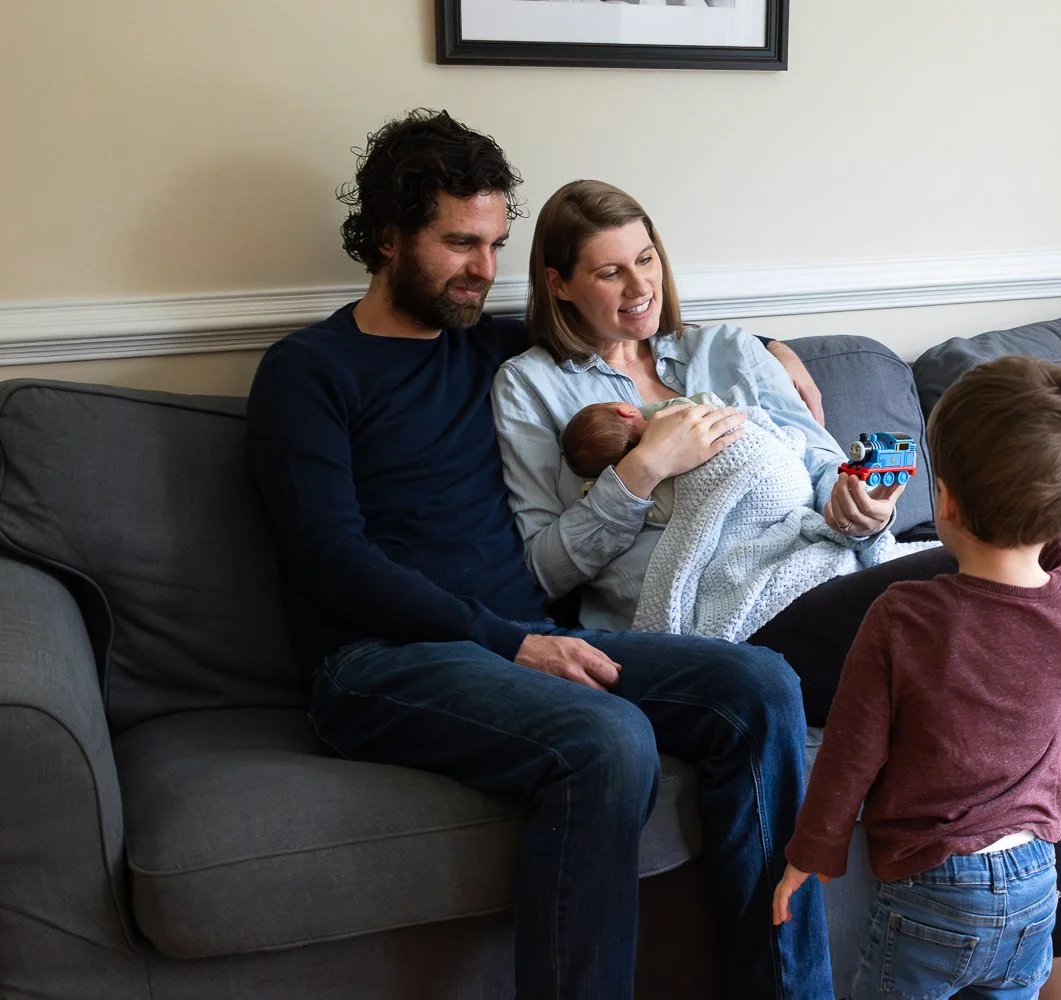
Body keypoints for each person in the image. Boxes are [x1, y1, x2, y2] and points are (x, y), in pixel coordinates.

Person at [493, 179, 1061, 999]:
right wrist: (645, 469)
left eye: (646, 259)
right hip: (733, 630)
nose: (639, 286)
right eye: (609, 271)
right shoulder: (530, 387)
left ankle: (1056, 953)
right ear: (559, 283)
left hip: (830, 572)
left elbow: (823, 474)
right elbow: (545, 566)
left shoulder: (726, 349)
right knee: (1045, 570)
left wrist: (857, 504)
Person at [244, 109, 835, 1000]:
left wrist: (769, 349)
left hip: (513, 638)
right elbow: (332, 559)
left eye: (494, 244)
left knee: (758, 686)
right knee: (609, 740)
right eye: (458, 244)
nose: (483, 270)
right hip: (380, 661)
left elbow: (627, 317)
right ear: (389, 236)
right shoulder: (310, 371)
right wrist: (510, 640)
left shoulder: (491, 341)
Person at [772, 355, 1061, 998]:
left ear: (946, 499)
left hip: (934, 888)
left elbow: (852, 751)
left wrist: (808, 854)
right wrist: (1046, 488)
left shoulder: (903, 616)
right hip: (1039, 878)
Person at [561, 392, 723, 523]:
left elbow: (663, 517)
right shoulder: (671, 412)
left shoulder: (652, 499)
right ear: (625, 411)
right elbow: (708, 401)